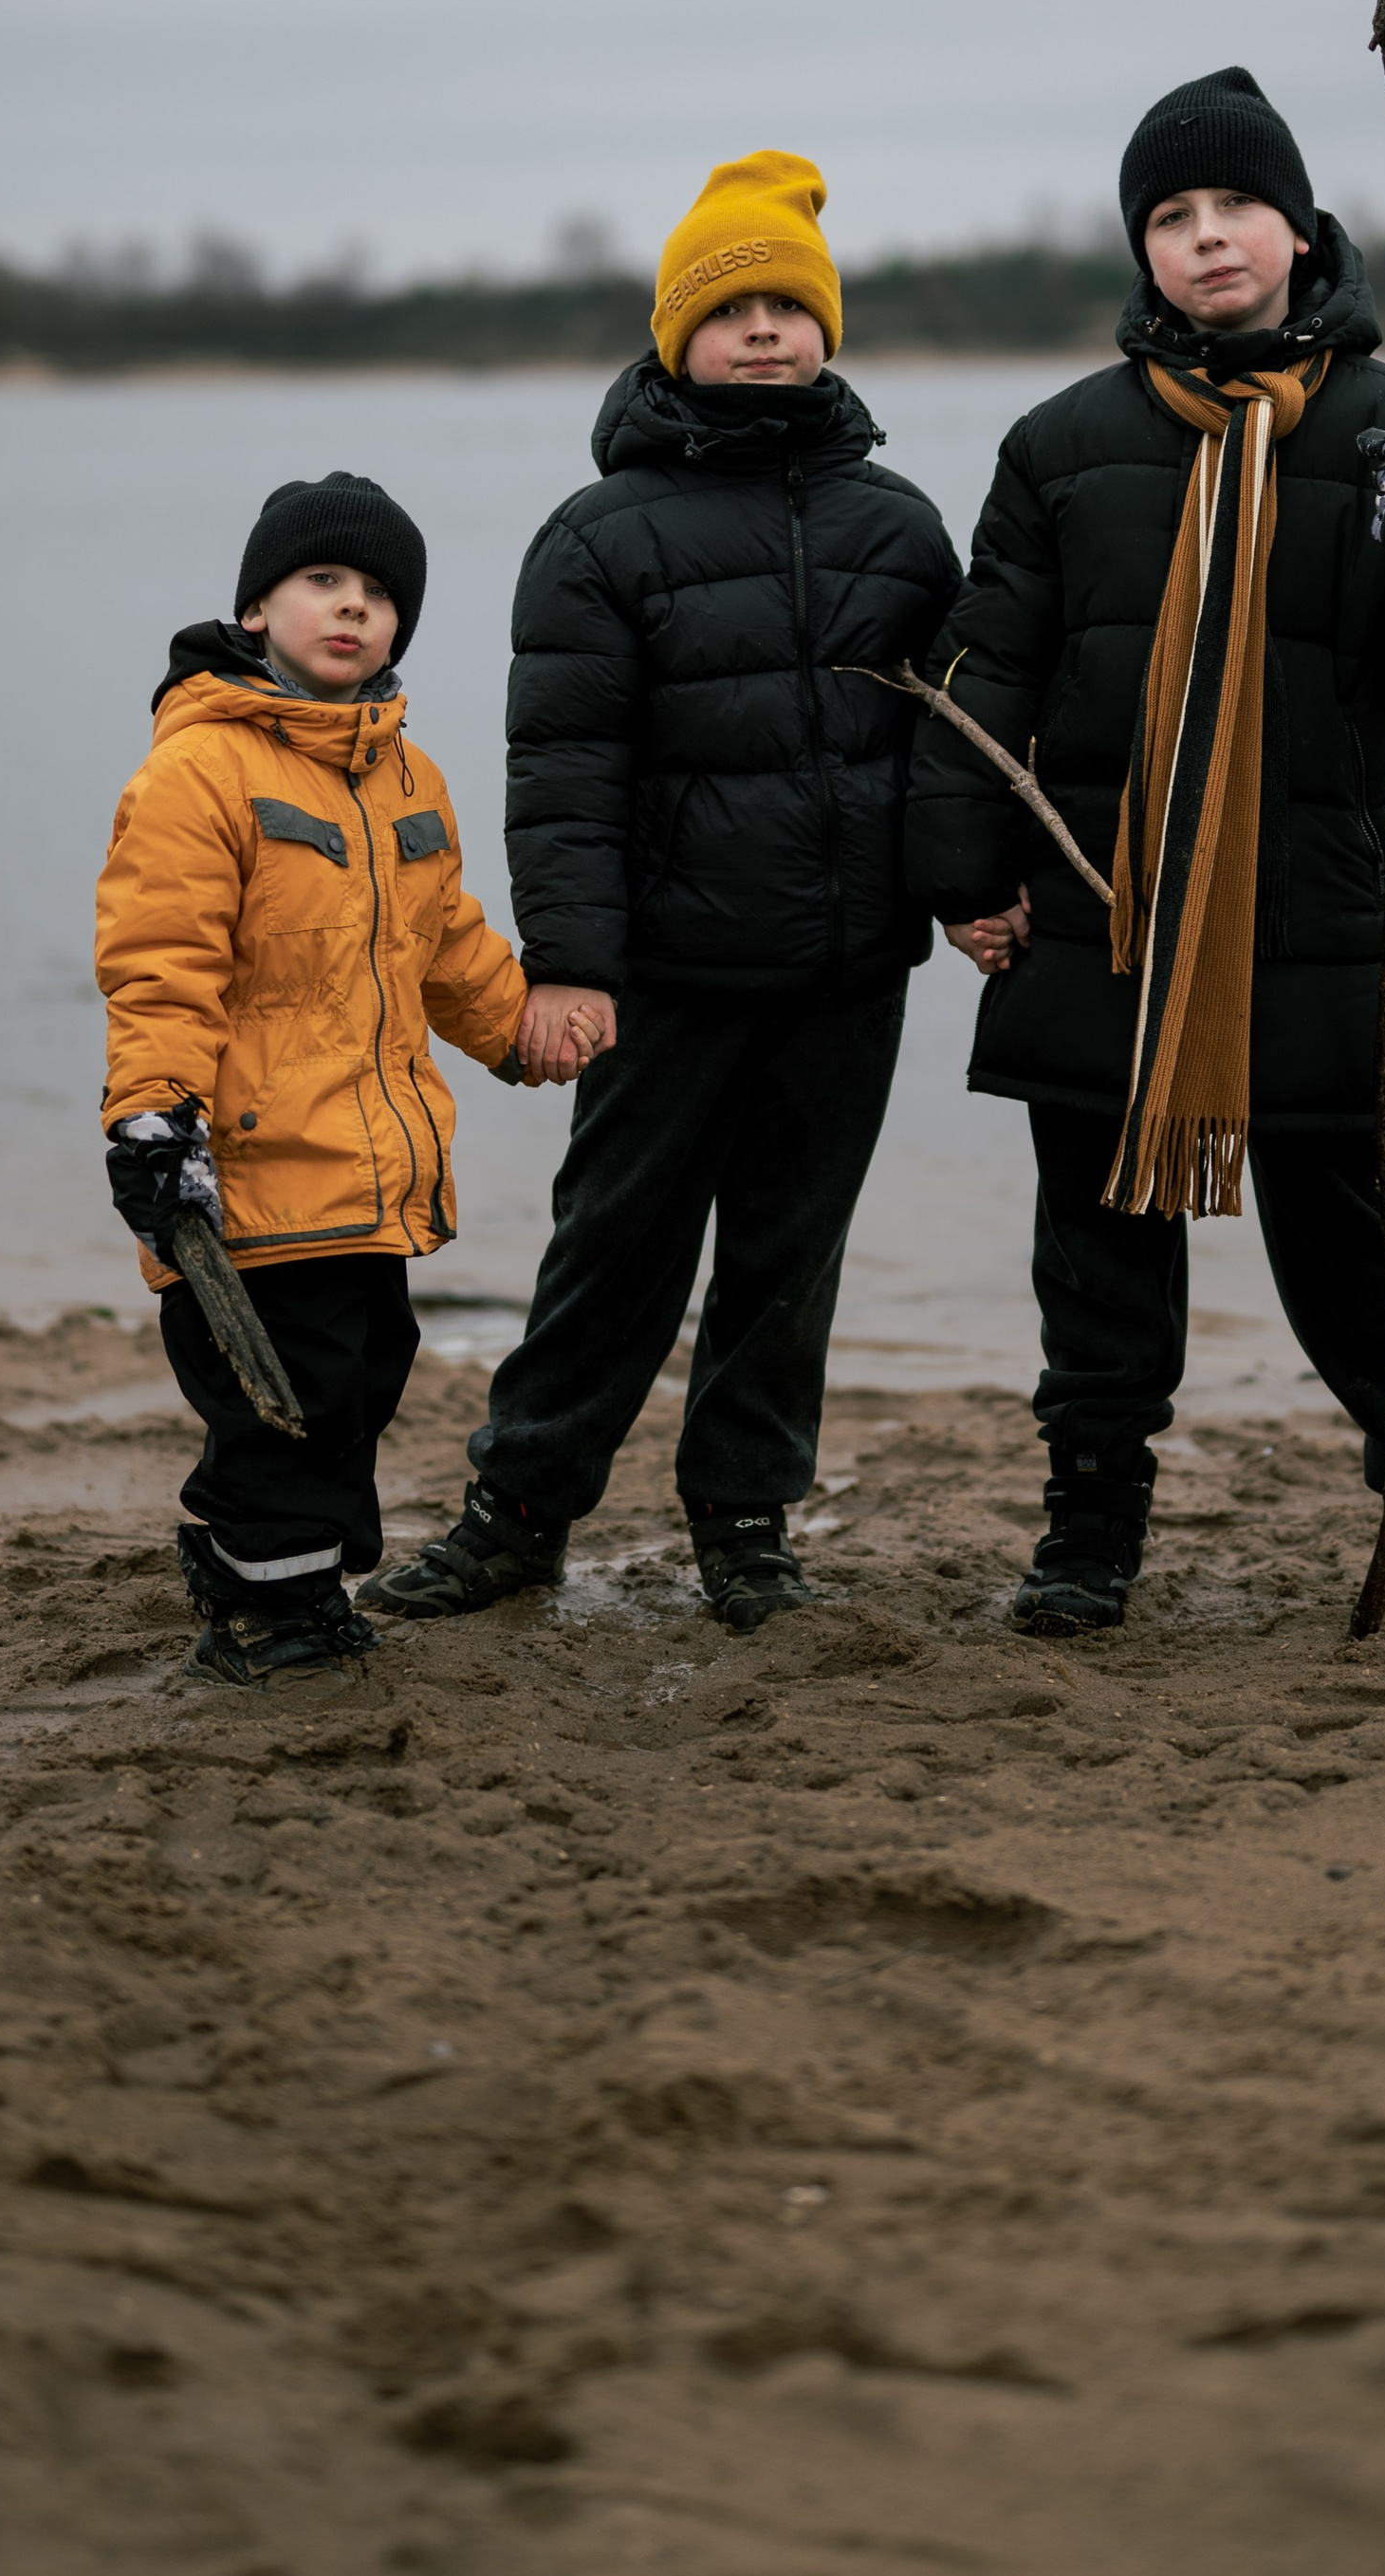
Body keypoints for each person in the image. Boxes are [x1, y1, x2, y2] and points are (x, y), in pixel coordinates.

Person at [906, 66, 1385, 1637]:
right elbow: (988, 668)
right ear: (1142, 248)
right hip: (1106, 902)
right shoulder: (1061, 442)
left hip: (1320, 908)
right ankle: (1088, 1539)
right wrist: (963, 874)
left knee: (1369, 1243)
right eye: (1173, 216)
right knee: (1097, 1255)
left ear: (1301, 228)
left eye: (1237, 207)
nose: (1207, 237)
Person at [360, 151, 962, 1634]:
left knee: (787, 1261)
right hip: (668, 975)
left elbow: (953, 748)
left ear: (825, 329)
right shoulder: (598, 537)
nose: (762, 330)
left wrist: (971, 893)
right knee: (614, 1249)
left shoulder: (900, 527)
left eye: (788, 307)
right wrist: (571, 963)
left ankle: (746, 1523)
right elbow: (563, 774)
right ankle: (520, 1511)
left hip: (846, 971)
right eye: (730, 309)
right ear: (677, 334)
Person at [95, 469, 566, 1688]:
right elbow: (160, 964)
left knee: (361, 1383)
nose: (352, 606)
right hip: (251, 1176)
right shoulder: (200, 769)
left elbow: (445, 943)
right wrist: (152, 1121)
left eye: (379, 593)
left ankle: (285, 1583)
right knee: (281, 1405)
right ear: (257, 606)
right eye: (322, 580)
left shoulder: (406, 775)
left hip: (368, 1175)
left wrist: (526, 1030)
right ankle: (269, 1612)